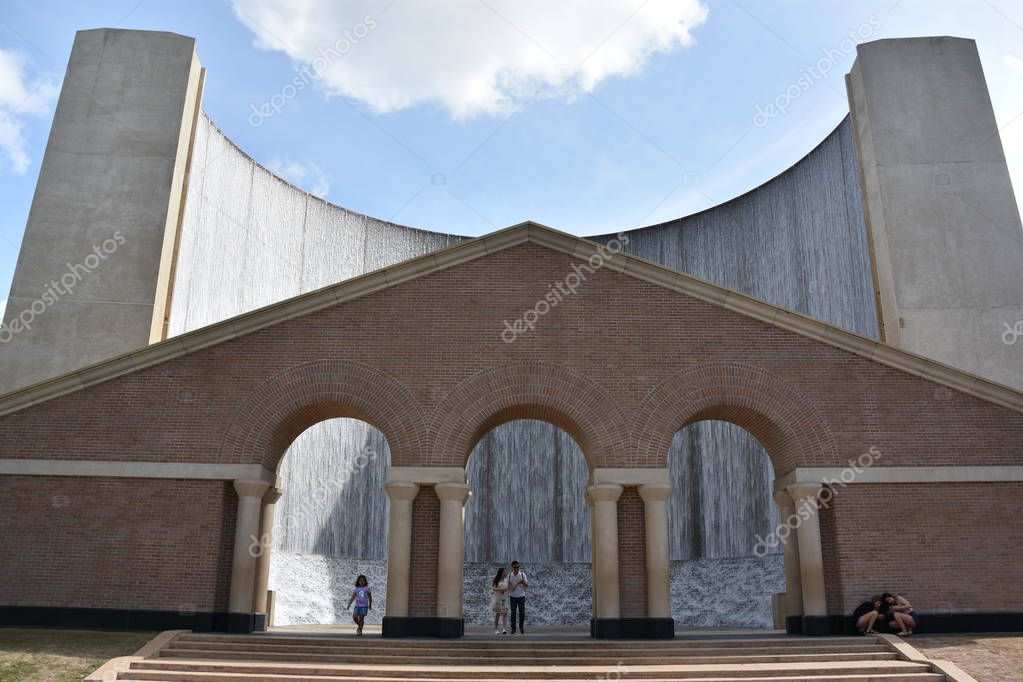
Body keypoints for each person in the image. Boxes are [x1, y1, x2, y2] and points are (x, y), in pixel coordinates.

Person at [507, 560, 528, 634]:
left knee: (522, 613)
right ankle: (513, 629)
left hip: (521, 596)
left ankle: (521, 627)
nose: (517, 568)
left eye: (518, 567)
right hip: (512, 597)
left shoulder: (522, 574)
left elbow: (527, 585)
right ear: (512, 567)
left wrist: (523, 582)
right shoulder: (509, 576)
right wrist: (512, 586)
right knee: (513, 613)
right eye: (515, 567)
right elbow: (508, 586)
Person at [491, 566, 510, 635]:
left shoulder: (506, 579)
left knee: (505, 614)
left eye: (505, 572)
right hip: (498, 599)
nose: (505, 573)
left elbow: (508, 588)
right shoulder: (496, 580)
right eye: (504, 572)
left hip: (504, 599)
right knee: (498, 614)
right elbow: (493, 588)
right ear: (501, 573)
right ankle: (496, 629)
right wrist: (501, 590)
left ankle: (504, 629)